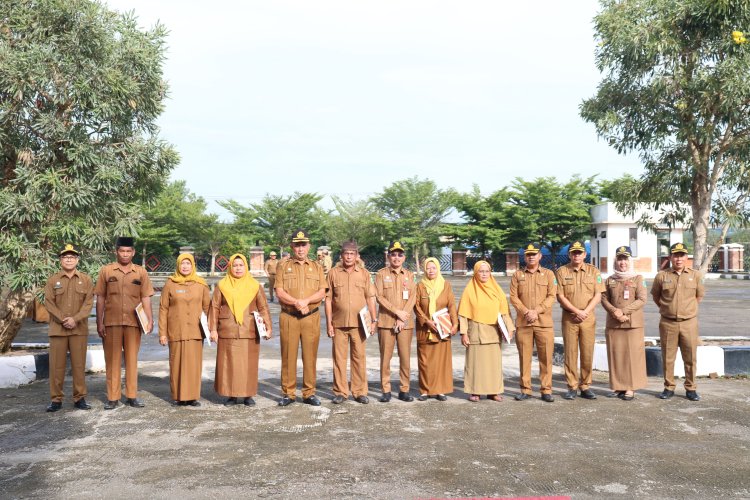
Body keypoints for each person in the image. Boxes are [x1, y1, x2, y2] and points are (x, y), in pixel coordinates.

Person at [95, 236, 154, 410]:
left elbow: (145, 297)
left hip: (133, 322)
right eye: (122, 251)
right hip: (111, 322)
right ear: (116, 252)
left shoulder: (140, 272)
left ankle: (131, 396)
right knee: (112, 361)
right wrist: (100, 322)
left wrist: (150, 320)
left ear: (133, 252)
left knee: (132, 360)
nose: (125, 254)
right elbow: (100, 298)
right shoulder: (106, 271)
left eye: (129, 251)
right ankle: (112, 397)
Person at [209, 254, 272, 406]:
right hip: (227, 330)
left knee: (248, 364)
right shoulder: (222, 285)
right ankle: (230, 395)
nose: (238, 268)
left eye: (241, 265)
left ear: (246, 267)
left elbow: (263, 307)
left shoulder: (254, 285)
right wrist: (213, 329)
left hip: (249, 329)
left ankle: (247, 395)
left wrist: (268, 327)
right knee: (228, 364)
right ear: (230, 267)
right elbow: (215, 307)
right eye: (235, 265)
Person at [275, 230, 326, 406]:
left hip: (311, 317)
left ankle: (309, 392)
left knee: (310, 356)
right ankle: (288, 393)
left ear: (309, 246)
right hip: (289, 316)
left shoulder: (317, 266)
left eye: (303, 245)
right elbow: (279, 290)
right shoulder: (282, 266)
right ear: (292, 246)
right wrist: (296, 302)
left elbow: (321, 291)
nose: (300, 248)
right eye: (297, 245)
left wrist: (306, 301)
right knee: (288, 355)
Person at [43, 244, 94, 412]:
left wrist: (75, 319)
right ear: (61, 260)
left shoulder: (86, 279)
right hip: (58, 330)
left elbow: (88, 304)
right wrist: (63, 319)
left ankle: (79, 398)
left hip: (78, 329)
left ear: (77, 260)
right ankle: (56, 400)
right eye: (66, 257)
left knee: (79, 365)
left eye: (72, 257)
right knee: (56, 366)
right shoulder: (53, 280)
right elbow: (49, 303)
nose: (69, 259)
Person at [651, 242, 705, 401]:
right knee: (668, 357)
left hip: (689, 322)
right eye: (676, 255)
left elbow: (699, 297)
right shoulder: (662, 276)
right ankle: (669, 387)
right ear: (670, 257)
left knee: (690, 357)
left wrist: (687, 310)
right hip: (668, 323)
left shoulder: (696, 275)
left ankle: (691, 388)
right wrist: (668, 308)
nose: (679, 259)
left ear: (686, 257)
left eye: (682, 255)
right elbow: (656, 296)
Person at [326, 240, 377, 404]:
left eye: (351, 254)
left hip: (359, 324)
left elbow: (370, 298)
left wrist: (374, 320)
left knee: (359, 358)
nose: (348, 257)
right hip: (339, 323)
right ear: (341, 256)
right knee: (339, 359)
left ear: (356, 256)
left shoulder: (364, 273)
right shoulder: (333, 273)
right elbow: (328, 300)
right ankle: (341, 392)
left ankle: (359, 391)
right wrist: (328, 323)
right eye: (346, 254)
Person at [158, 253, 210, 406]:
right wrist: (162, 332)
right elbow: (163, 308)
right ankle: (179, 396)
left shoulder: (201, 284)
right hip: (176, 330)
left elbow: (208, 308)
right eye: (182, 263)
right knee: (176, 364)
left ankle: (193, 397)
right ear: (178, 265)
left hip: (195, 331)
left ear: (193, 265)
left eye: (188, 263)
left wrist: (211, 329)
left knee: (194, 364)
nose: (185, 266)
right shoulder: (170, 283)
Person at [555, 241, 605, 400]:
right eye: (574, 252)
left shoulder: (593, 271)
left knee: (587, 353)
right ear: (569, 254)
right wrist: (576, 311)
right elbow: (560, 296)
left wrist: (585, 312)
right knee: (570, 353)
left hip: (588, 319)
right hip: (569, 318)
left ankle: (585, 386)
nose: (576, 255)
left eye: (580, 252)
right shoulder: (562, 272)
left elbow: (598, 295)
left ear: (585, 254)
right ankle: (572, 386)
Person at [458, 261, 512, 402]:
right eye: (481, 271)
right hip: (476, 332)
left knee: (493, 365)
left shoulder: (497, 289)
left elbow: (504, 312)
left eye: (487, 271)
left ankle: (493, 391)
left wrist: (510, 329)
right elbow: (463, 314)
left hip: (493, 332)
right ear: (476, 272)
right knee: (475, 364)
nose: (484, 274)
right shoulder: (470, 290)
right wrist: (464, 333)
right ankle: (475, 391)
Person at [509, 243, 557, 403]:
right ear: (525, 257)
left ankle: (546, 389)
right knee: (524, 358)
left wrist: (536, 311)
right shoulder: (517, 275)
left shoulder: (549, 274)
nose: (531, 257)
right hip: (524, 323)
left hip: (544, 323)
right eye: (528, 254)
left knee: (546, 358)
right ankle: (525, 389)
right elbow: (514, 297)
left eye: (534, 254)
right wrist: (526, 312)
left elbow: (552, 296)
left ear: (540, 256)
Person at [601, 246, 648, 401]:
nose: (623, 263)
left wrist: (624, 311)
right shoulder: (610, 280)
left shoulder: (638, 278)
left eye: (625, 259)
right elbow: (603, 298)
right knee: (616, 355)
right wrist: (615, 311)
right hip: (614, 323)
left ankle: (630, 388)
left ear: (630, 261)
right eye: (620, 259)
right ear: (616, 261)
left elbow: (642, 299)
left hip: (632, 324)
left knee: (632, 356)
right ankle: (618, 386)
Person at [374, 241, 417, 402]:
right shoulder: (381, 274)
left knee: (405, 357)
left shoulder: (410, 275)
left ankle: (404, 390)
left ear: (404, 257)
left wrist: (402, 315)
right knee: (386, 357)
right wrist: (396, 312)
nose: (396, 257)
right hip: (386, 322)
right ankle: (386, 390)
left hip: (405, 323)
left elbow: (413, 297)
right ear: (388, 256)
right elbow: (379, 297)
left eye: (400, 254)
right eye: (393, 254)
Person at [414, 257, 458, 401]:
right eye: (428, 268)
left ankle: (440, 390)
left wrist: (455, 324)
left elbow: (451, 305)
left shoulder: (446, 285)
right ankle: (425, 390)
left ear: (438, 269)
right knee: (425, 361)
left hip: (442, 329)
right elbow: (416, 306)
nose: (431, 270)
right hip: (425, 329)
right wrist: (426, 321)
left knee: (441, 361)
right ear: (424, 269)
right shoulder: (420, 286)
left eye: (433, 268)